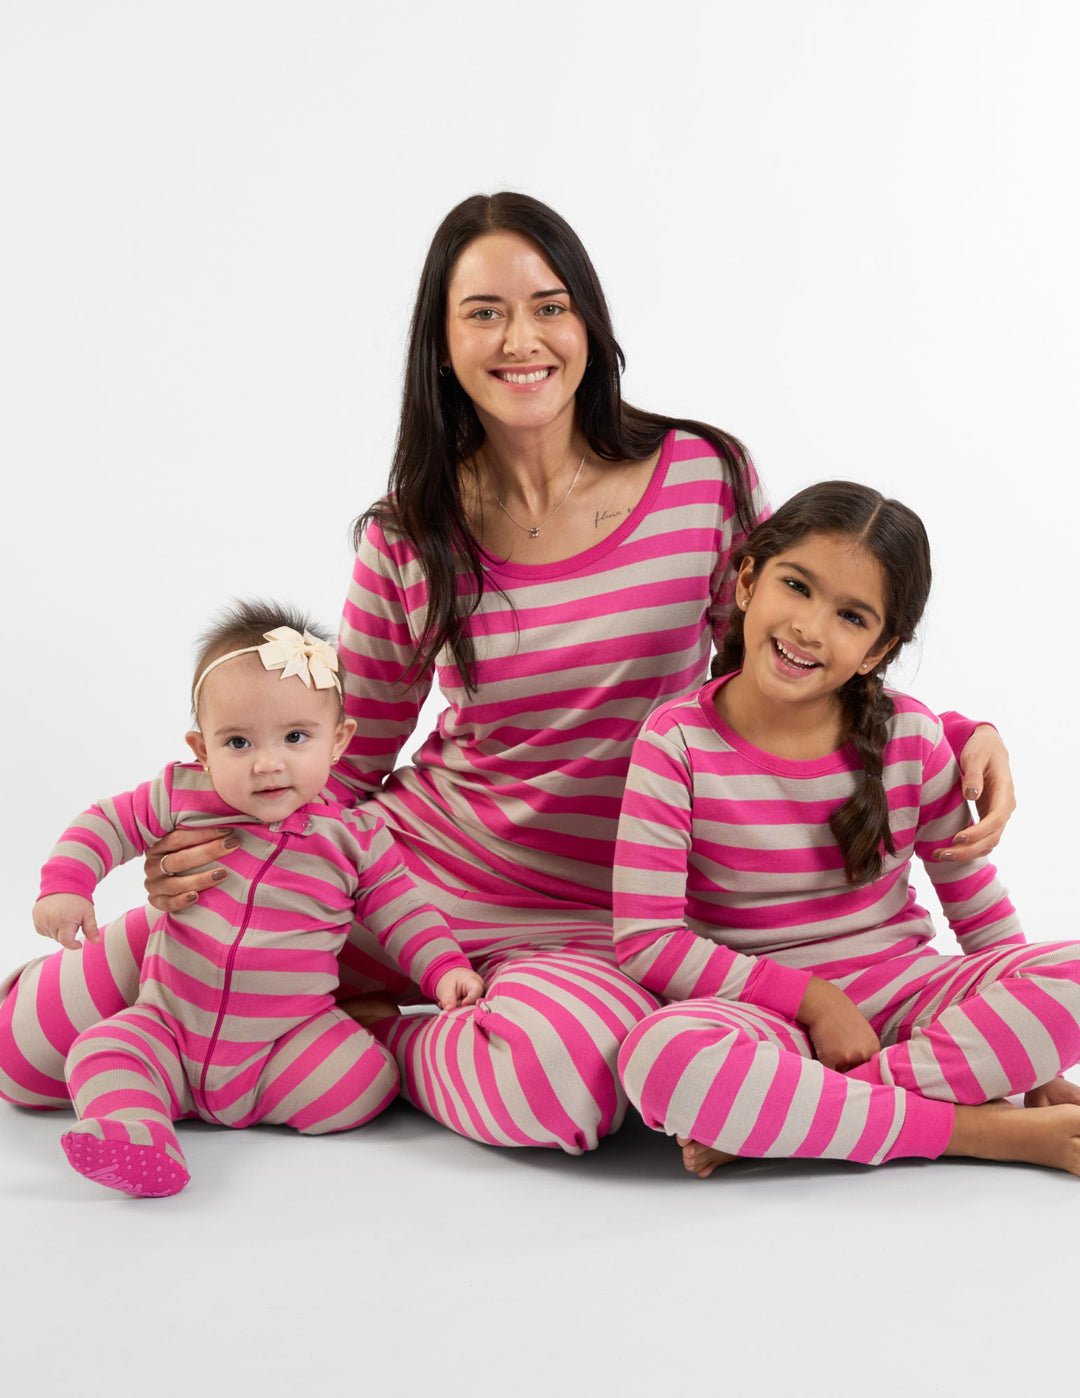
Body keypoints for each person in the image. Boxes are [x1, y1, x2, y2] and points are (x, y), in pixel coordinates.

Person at [0, 193, 1015, 1156]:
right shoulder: (412, 531)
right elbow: (348, 757)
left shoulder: (703, 478)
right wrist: (221, 843)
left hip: (606, 919)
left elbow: (785, 661)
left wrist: (954, 733)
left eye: (549, 307)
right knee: (23, 1061)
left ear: (590, 326)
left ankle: (374, 1042)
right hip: (399, 877)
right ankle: (171, 971)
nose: (521, 339)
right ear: (443, 345)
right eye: (484, 312)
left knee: (570, 1092)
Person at [613, 482, 1080, 1178]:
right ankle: (974, 1130)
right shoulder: (674, 742)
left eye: (851, 616)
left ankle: (800, 1117)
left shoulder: (912, 736)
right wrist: (813, 1000)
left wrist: (1038, 1065)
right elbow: (647, 943)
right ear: (748, 582)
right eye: (796, 586)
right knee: (660, 1059)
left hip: (912, 998)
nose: (810, 627)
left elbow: (978, 911)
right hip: (766, 1017)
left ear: (877, 649)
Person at [32, 602, 481, 1196]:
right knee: (102, 1048)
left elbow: (404, 913)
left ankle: (321, 1053)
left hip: (283, 1043)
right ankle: (137, 1133)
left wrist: (444, 968)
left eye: (295, 737)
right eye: (238, 742)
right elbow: (105, 823)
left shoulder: (356, 839)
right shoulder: (182, 795)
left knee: (365, 1080)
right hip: (170, 1027)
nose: (268, 764)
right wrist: (66, 886)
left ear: (338, 741)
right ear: (202, 749)